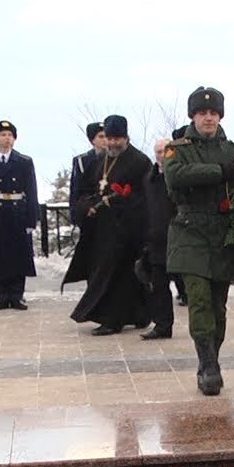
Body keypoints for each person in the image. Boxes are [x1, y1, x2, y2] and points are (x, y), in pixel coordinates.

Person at [163, 86, 234, 396]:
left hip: (224, 234)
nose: (208, 118)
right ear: (193, 116)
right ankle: (207, 365)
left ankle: (213, 356)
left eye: (213, 113)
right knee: (198, 299)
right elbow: (176, 176)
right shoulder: (178, 148)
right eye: (202, 113)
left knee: (218, 305)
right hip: (190, 231)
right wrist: (219, 172)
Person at [63, 115, 153, 335]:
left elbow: (145, 195)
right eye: (109, 138)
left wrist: (119, 201)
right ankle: (137, 315)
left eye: (117, 139)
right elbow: (86, 191)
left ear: (126, 137)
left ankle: (113, 320)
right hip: (101, 230)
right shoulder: (99, 160)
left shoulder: (140, 161)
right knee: (102, 273)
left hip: (127, 231)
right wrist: (88, 206)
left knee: (121, 277)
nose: (112, 143)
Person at [0, 120, 38, 311]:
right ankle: (1, 296)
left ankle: (17, 295)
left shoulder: (24, 161)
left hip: (17, 210)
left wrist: (32, 218)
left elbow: (32, 190)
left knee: (18, 254)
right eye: (3, 135)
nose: (7, 138)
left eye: (10, 135)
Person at [141, 137, 176, 340]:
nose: (161, 156)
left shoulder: (179, 178)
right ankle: (163, 325)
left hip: (178, 238)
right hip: (156, 240)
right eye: (158, 152)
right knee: (159, 285)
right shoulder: (149, 179)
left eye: (165, 151)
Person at [69, 122, 105, 221]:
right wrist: (75, 215)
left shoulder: (115, 158)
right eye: (101, 136)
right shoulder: (82, 161)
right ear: (93, 140)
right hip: (88, 210)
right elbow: (76, 189)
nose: (105, 140)